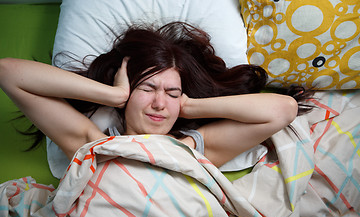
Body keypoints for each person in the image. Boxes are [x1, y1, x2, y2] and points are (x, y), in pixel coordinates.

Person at [0, 21, 308, 168]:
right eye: (147, 89)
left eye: (172, 93)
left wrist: (190, 107)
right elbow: (8, 72)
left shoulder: (195, 149)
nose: (160, 103)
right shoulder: (93, 144)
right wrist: (112, 94)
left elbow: (283, 109)